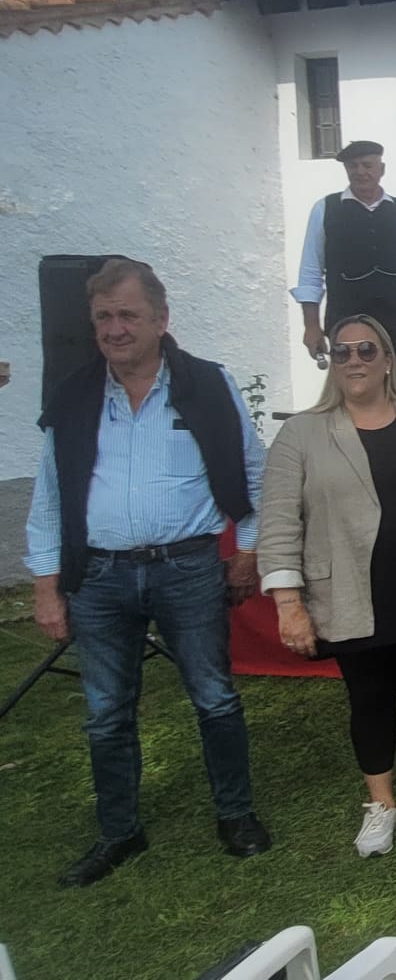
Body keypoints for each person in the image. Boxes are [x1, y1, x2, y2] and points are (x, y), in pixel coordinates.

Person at [27, 259, 270, 887]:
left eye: (128, 314)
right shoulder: (74, 397)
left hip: (186, 568)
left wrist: (247, 549)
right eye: (104, 316)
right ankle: (118, 831)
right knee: (106, 711)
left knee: (214, 697)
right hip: (100, 577)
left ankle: (236, 814)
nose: (115, 328)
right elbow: (51, 497)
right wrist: (47, 585)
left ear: (161, 320)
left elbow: (252, 471)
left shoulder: (207, 386)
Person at [260, 313, 396, 858]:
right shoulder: (302, 431)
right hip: (349, 592)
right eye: (342, 352)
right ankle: (382, 804)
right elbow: (278, 520)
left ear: (389, 358)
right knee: (368, 698)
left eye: (366, 350)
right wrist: (288, 602)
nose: (353, 361)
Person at [294, 140, 396, 390]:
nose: (360, 171)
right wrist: (311, 326)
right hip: (346, 320)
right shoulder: (325, 210)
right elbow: (310, 271)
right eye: (353, 166)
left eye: (367, 165)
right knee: (353, 393)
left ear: (381, 169)